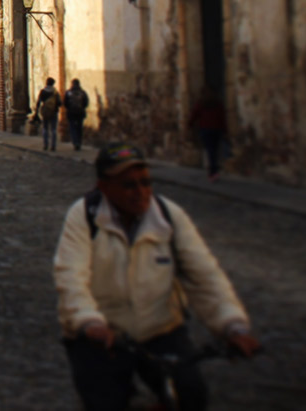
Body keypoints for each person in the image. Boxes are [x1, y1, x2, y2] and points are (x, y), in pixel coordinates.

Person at [53, 142, 260, 411]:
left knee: (191, 394)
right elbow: (70, 274)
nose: (140, 192)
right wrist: (88, 321)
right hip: (103, 334)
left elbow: (205, 275)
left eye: (146, 182)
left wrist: (232, 325)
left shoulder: (168, 216)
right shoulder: (84, 217)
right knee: (105, 401)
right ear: (104, 187)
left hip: (160, 330)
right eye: (129, 185)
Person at [188, 86, 227, 182]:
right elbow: (222, 117)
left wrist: (189, 124)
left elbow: (194, 114)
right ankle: (214, 171)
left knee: (210, 151)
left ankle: (213, 172)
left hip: (206, 129)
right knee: (214, 150)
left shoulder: (201, 103)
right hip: (216, 129)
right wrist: (225, 130)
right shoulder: (218, 103)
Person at [33, 77, 61, 151]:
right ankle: (53, 146)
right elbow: (59, 103)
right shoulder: (55, 92)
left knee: (45, 128)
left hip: (45, 112)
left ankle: (45, 145)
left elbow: (38, 102)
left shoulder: (43, 91)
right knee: (53, 129)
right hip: (54, 112)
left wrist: (37, 111)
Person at [64, 78, 90, 151]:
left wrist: (69, 108)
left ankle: (75, 142)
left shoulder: (68, 92)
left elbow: (65, 103)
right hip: (80, 112)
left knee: (72, 128)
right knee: (79, 128)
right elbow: (86, 102)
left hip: (71, 113)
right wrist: (82, 108)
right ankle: (79, 142)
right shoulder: (82, 92)